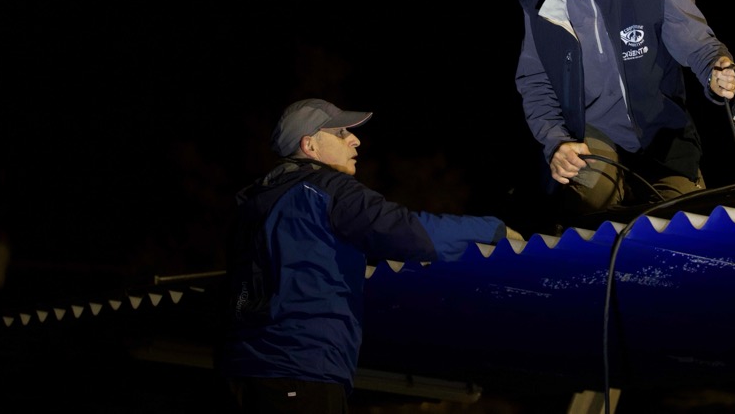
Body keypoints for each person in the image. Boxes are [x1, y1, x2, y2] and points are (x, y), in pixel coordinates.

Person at [216, 97, 520, 413]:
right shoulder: (325, 188)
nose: (355, 140)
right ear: (309, 146)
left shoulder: (255, 205)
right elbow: (405, 231)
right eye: (340, 133)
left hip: (239, 372)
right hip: (300, 371)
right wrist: (491, 231)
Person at [514, 0, 735, 225]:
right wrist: (556, 141)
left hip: (662, 135)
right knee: (588, 219)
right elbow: (535, 83)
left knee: (682, 225)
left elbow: (698, 47)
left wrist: (716, 70)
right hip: (591, 138)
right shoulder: (538, 2)